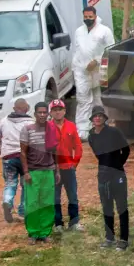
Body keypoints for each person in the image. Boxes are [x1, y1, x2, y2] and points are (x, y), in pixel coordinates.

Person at [88, 107, 130, 250]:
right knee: (106, 207)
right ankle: (109, 238)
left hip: (117, 175)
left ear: (105, 118)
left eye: (100, 116)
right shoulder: (91, 135)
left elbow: (126, 149)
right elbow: (98, 155)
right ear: (92, 119)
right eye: (95, 116)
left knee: (122, 207)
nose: (98, 118)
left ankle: (123, 239)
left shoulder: (114, 132)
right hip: (102, 176)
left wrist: (118, 164)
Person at [71, 5, 114, 139]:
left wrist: (97, 60)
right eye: (85, 17)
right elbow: (77, 50)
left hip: (98, 70)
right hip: (81, 70)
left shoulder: (104, 31)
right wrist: (79, 65)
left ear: (95, 16)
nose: (88, 19)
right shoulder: (79, 31)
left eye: (90, 17)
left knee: (97, 99)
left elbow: (111, 49)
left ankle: (99, 127)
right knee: (83, 98)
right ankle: (82, 131)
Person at [20, 101, 59, 243]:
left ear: (48, 114)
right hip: (33, 171)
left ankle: (45, 232)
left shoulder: (52, 129)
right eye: (39, 112)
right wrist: (26, 172)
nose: (42, 115)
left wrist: (57, 171)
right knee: (32, 203)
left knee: (47, 203)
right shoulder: (27, 129)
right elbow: (23, 153)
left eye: (44, 112)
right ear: (35, 114)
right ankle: (33, 232)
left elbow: (55, 152)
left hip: (48, 170)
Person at [0, 99, 30, 223]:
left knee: (10, 183)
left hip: (9, 158)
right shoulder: (31, 123)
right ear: (27, 109)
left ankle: (7, 201)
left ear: (14, 108)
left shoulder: (4, 121)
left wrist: (3, 149)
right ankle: (22, 212)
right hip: (26, 159)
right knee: (26, 185)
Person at [49, 99, 83, 232]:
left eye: (60, 110)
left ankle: (74, 222)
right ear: (51, 112)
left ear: (64, 111)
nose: (57, 112)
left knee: (73, 195)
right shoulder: (47, 127)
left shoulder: (71, 126)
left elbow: (78, 146)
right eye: (54, 110)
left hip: (68, 167)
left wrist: (75, 163)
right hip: (53, 169)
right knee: (55, 197)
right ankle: (58, 224)